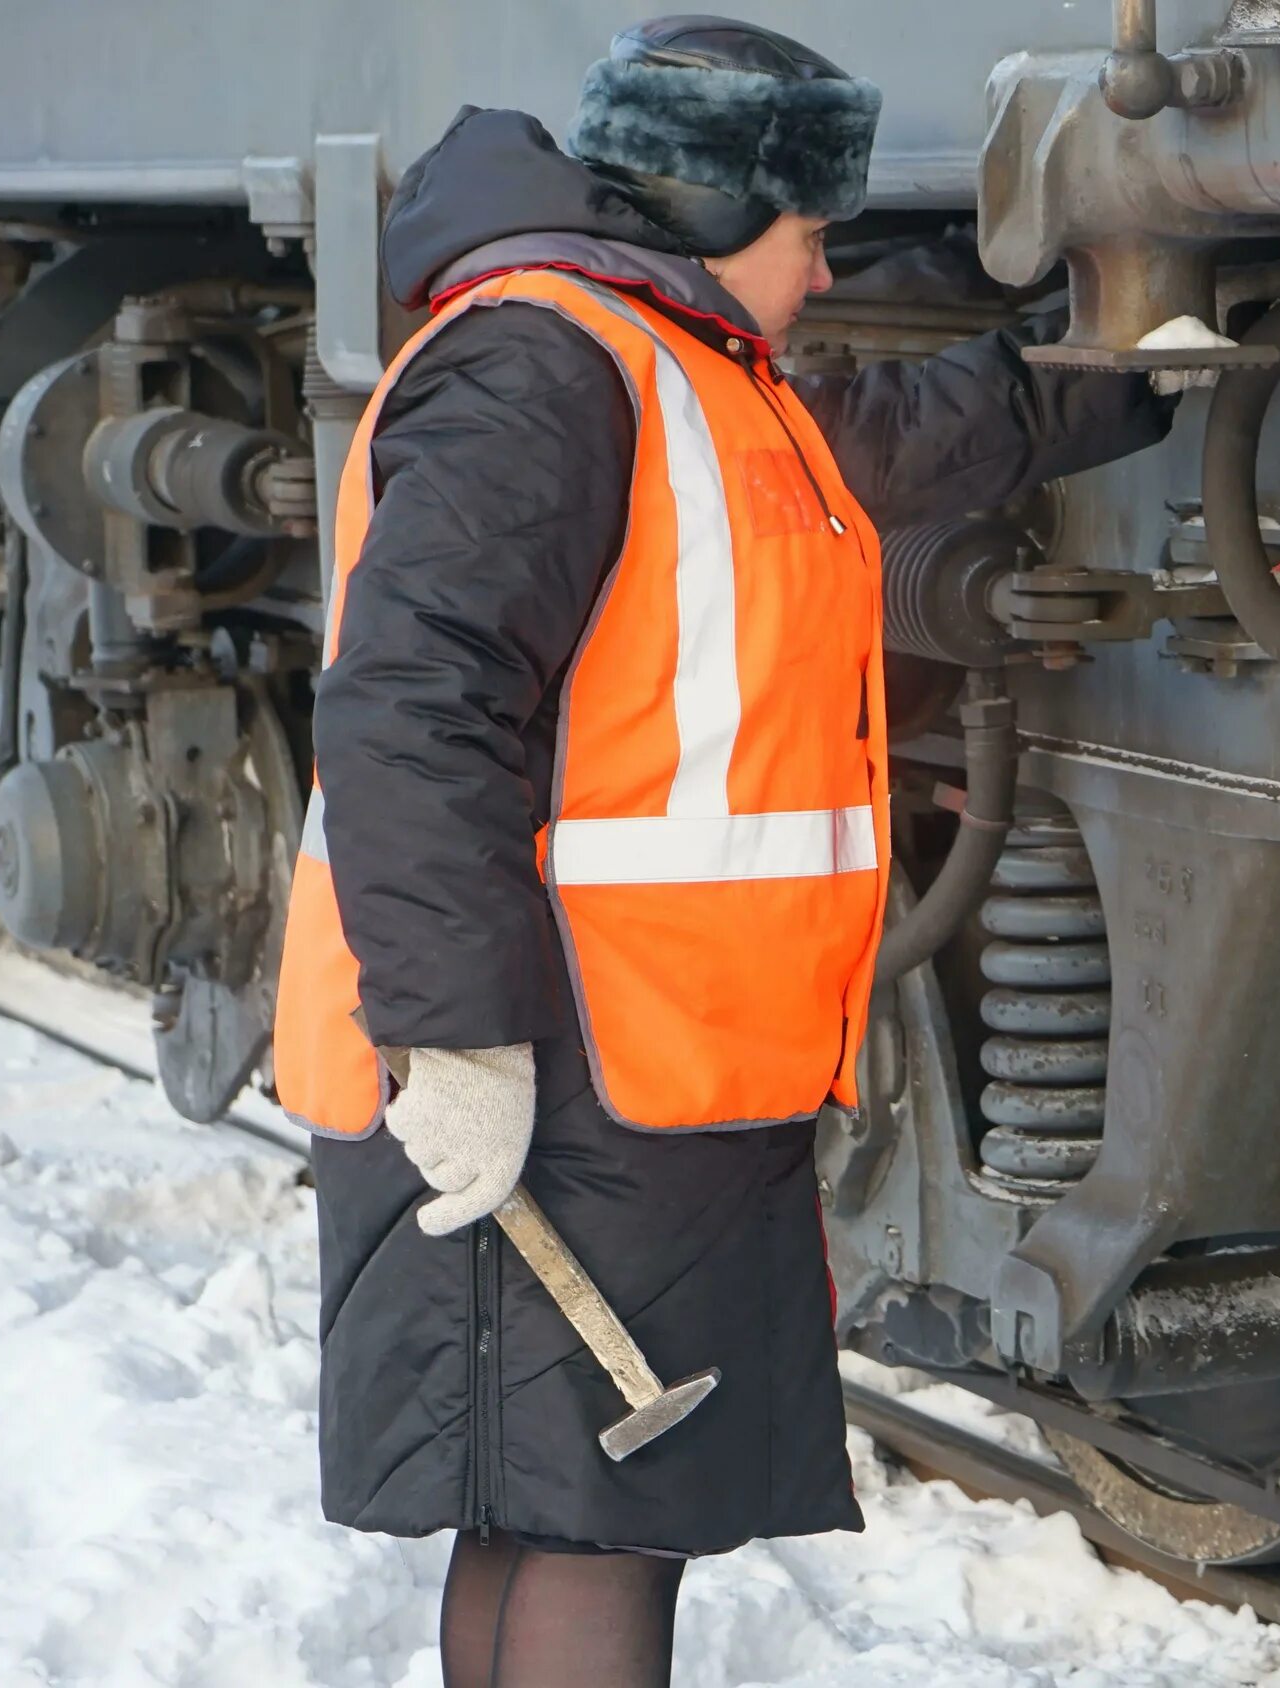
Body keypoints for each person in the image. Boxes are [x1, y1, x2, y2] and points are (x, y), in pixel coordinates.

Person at [264, 17, 1171, 1685]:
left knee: (558, 1509)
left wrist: (1124, 362)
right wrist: (453, 1039)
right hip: (548, 1059)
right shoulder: (542, 368)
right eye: (812, 234)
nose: (827, 276)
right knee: (595, 1522)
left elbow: (889, 436)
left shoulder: (673, 367)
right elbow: (409, 711)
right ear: (714, 204)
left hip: (644, 1063)